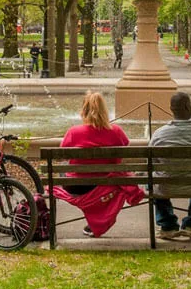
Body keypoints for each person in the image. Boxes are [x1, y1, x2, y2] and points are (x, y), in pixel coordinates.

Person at [53, 91, 144, 237]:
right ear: (104, 110)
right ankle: (97, 220)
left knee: (63, 172)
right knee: (115, 176)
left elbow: (62, 154)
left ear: (84, 110)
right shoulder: (116, 131)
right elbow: (124, 148)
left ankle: (93, 221)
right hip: (106, 184)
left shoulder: (73, 132)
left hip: (76, 186)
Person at [149, 92, 191, 240]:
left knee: (151, 181)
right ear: (188, 107)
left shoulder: (159, 134)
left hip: (166, 187)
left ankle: (168, 225)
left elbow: (152, 163)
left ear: (171, 109)